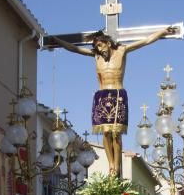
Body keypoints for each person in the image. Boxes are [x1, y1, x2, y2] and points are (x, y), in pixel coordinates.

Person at [50, 26, 177, 177]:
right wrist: (57, 41)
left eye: (100, 45)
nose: (99, 49)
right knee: (105, 133)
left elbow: (145, 41)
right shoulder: (96, 56)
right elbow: (74, 49)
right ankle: (110, 163)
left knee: (116, 133)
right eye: (96, 46)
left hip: (118, 94)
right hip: (102, 96)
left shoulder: (122, 50)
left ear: (108, 43)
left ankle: (116, 164)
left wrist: (162, 32)